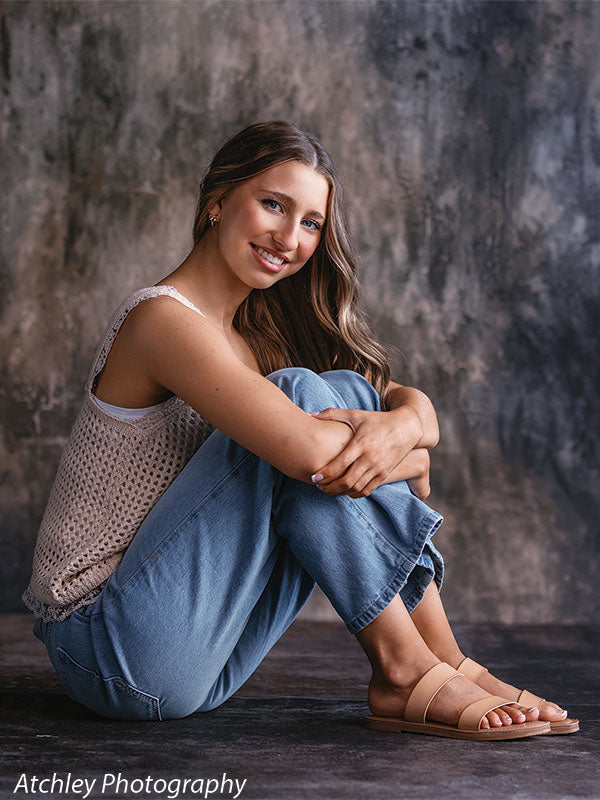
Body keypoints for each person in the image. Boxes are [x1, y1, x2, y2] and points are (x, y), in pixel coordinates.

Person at [22, 120, 577, 740]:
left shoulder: (256, 336)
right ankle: (403, 668)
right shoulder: (162, 319)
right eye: (273, 205)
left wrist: (412, 422)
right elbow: (315, 452)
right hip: (108, 647)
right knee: (303, 404)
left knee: (336, 393)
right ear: (217, 201)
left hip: (203, 656)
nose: (289, 238)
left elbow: (393, 401)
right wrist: (408, 452)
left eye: (311, 223)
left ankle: (442, 659)